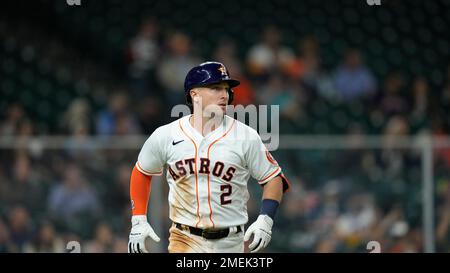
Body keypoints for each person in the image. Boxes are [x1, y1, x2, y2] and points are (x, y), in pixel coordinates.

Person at [127, 61, 290, 253]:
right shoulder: (166, 135)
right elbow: (142, 171)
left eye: (226, 89)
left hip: (231, 242)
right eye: (215, 88)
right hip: (184, 240)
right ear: (194, 94)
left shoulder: (245, 136)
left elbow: (273, 178)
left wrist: (265, 219)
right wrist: (138, 219)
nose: (224, 94)